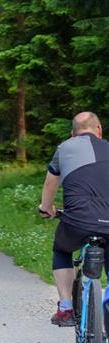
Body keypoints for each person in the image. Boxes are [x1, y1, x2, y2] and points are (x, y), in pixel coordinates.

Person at [38, 111, 109, 326]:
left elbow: (50, 183)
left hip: (78, 221)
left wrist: (46, 208)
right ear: (99, 130)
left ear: (72, 133)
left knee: (62, 249)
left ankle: (66, 308)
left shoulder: (65, 148)